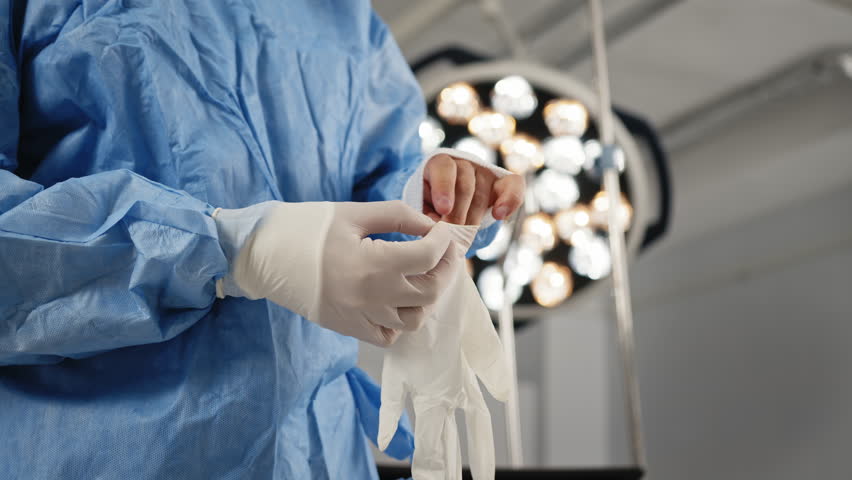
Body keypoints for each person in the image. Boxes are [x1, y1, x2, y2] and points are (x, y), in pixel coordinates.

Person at [0, 1, 524, 479]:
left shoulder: (343, 18)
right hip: (112, 452)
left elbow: (372, 177)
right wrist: (229, 249)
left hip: (319, 449)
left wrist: (430, 194)